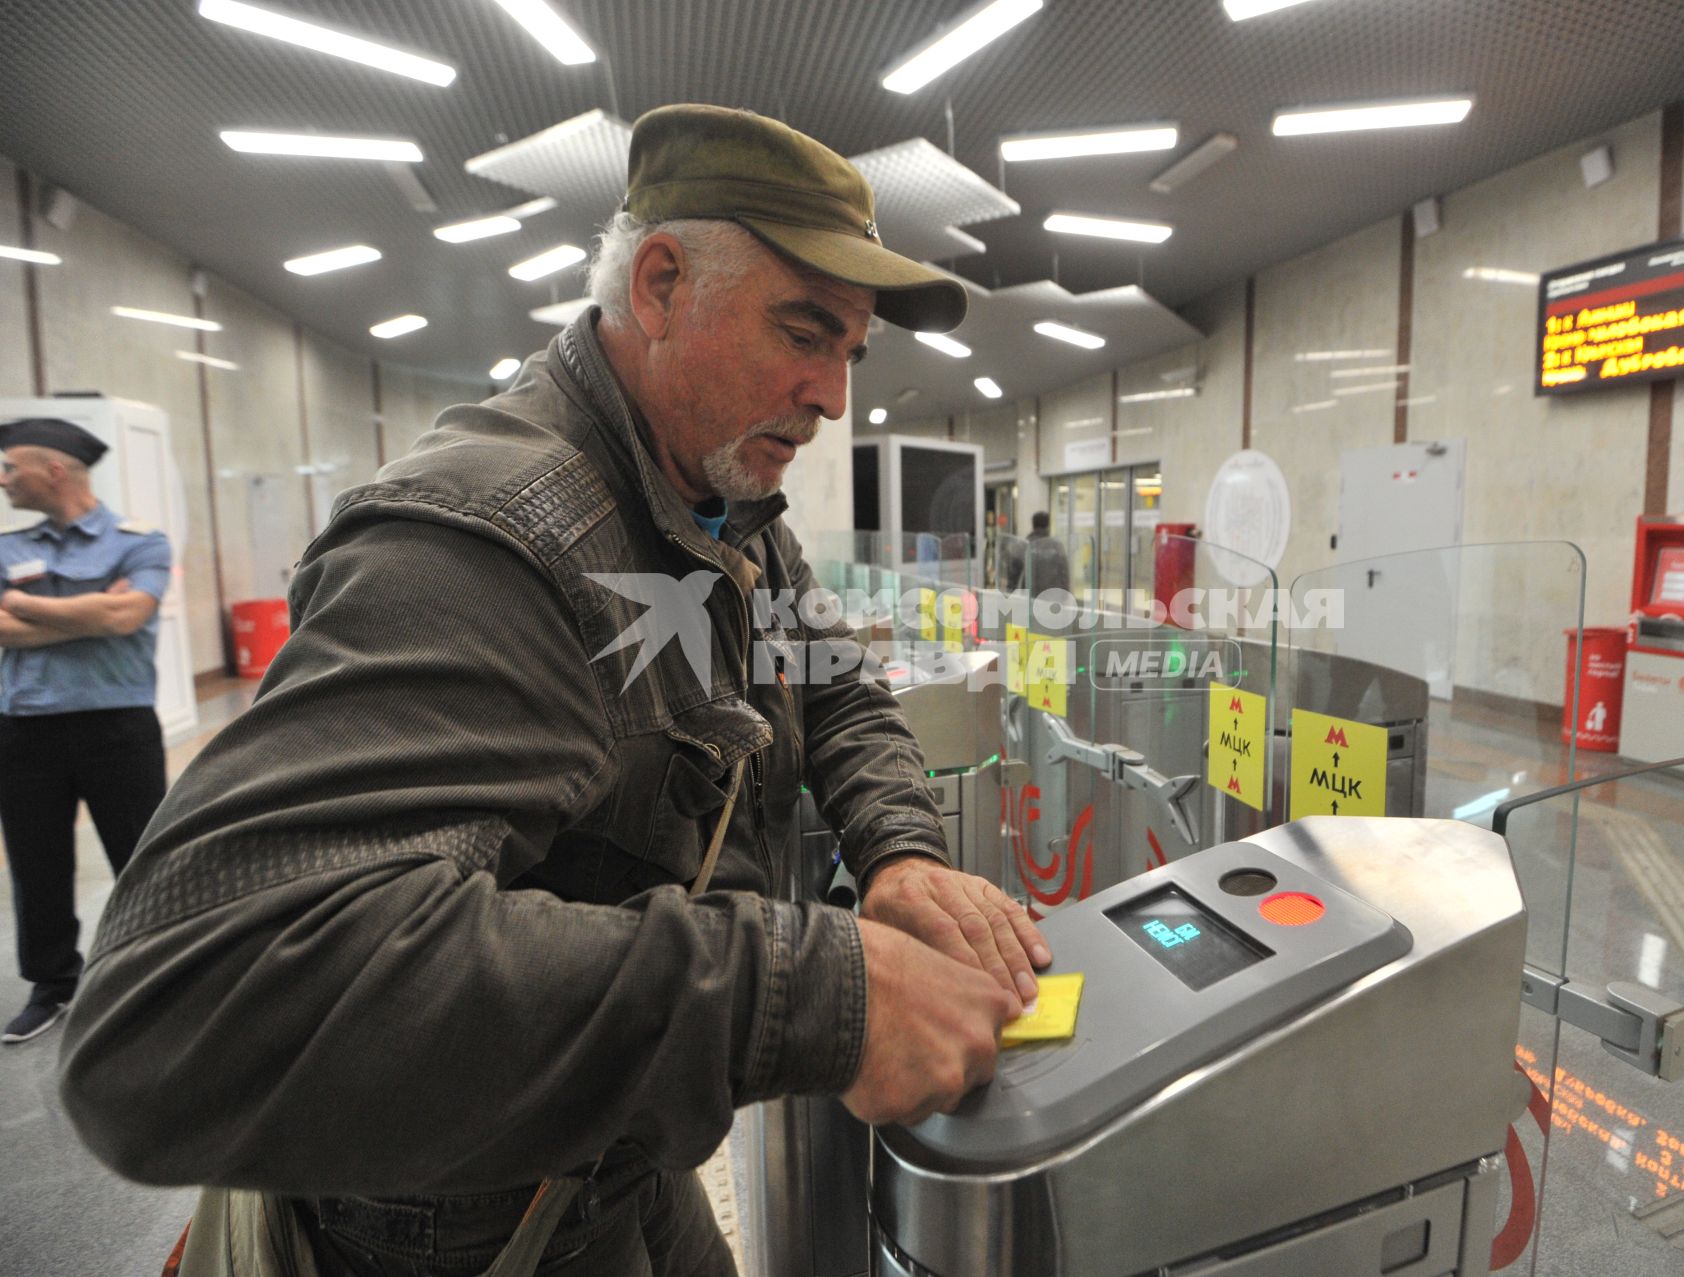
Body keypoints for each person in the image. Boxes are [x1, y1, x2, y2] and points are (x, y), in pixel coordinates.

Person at [59, 105, 1050, 1276]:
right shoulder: (495, 535)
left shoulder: (725, 506)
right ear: (661, 283)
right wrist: (804, 990)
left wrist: (902, 850)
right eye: (803, 330)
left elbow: (833, 685)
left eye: (851, 350)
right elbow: (178, 1006)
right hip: (460, 1214)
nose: (833, 394)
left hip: (618, 1146)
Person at [0, 418, 171, 1044]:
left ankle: (157, 971)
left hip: (117, 727)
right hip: (24, 729)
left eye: (11, 468)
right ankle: (52, 986)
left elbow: (128, 615)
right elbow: (8, 629)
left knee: (142, 855)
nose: (3, 479)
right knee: (35, 861)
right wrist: (91, 611)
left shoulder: (140, 540)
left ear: (55, 471)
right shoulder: (6, 547)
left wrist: (24, 604)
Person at [1023, 510, 1071, 598]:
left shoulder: (1025, 544)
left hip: (1030, 598)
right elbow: (1064, 572)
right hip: (1053, 597)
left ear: (1033, 525)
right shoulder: (1056, 545)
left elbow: (1017, 574)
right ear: (1048, 525)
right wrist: (1065, 594)